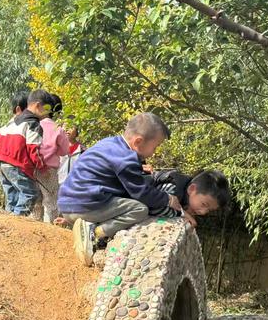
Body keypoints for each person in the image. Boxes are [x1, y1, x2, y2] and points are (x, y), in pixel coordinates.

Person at [58, 112, 181, 266]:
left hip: (67, 204)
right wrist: (168, 199)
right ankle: (95, 233)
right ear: (138, 141)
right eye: (155, 147)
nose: (154, 152)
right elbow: (142, 193)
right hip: (83, 206)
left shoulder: (110, 144)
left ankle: (81, 221)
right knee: (139, 209)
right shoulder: (127, 159)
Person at [0, 89, 50, 216]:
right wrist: (42, 167)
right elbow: (34, 149)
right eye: (47, 109)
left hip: (2, 164)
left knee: (12, 197)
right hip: (17, 164)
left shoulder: (11, 123)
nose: (48, 113)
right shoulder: (33, 124)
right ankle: (17, 219)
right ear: (38, 105)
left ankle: (9, 223)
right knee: (30, 193)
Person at [150, 169, 231, 227]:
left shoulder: (188, 195)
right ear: (192, 189)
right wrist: (182, 214)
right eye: (204, 204)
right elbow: (155, 208)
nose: (203, 212)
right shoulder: (173, 188)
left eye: (209, 210)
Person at [34, 93, 70, 223]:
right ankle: (51, 229)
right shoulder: (57, 128)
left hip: (32, 168)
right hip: (49, 170)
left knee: (36, 202)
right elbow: (65, 150)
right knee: (51, 203)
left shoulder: (33, 125)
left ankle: (33, 230)